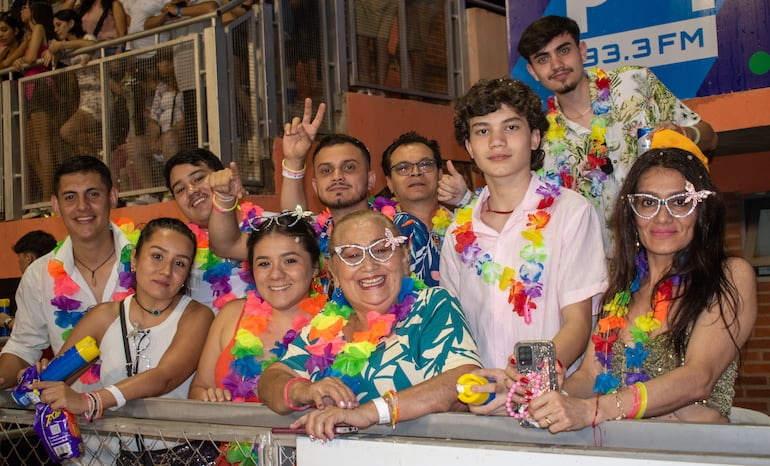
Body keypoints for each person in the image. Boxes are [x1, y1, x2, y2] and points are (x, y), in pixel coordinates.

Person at [524, 147, 756, 432]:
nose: (662, 218)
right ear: (632, 215)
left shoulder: (729, 275)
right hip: (622, 449)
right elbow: (590, 375)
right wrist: (557, 401)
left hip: (696, 452)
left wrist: (592, 410)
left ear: (702, 211)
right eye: (648, 203)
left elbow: (699, 377)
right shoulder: (621, 286)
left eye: (679, 202)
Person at [440, 77, 607, 396]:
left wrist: (525, 384)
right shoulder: (458, 232)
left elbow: (578, 323)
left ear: (534, 138)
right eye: (482, 131)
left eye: (511, 127)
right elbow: (455, 335)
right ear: (470, 148)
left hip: (552, 403)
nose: (497, 141)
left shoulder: (570, 212)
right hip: (480, 403)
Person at [258, 210, 481, 441]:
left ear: (404, 258)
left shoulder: (430, 306)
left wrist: (370, 413)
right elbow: (271, 379)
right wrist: (303, 390)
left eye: (382, 250)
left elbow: (464, 380)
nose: (369, 265)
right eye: (352, 255)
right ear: (334, 272)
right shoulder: (328, 324)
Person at [517, 15, 718, 252]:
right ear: (533, 71)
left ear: (582, 51)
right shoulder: (542, 138)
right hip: (601, 273)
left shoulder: (634, 83)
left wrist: (682, 133)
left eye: (563, 50)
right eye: (543, 59)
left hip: (670, 251)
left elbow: (711, 137)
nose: (556, 65)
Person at [208, 99, 441, 287]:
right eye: (326, 170)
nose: (337, 176)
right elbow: (226, 245)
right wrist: (225, 198)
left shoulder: (404, 228)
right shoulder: (311, 237)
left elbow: (429, 301)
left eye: (349, 167)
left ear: (371, 179)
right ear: (315, 186)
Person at [34, 217, 213, 460]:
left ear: (187, 274)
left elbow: (164, 377)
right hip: (126, 457)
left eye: (179, 263)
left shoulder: (197, 315)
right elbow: (58, 376)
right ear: (135, 260)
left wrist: (90, 401)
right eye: (157, 257)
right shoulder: (103, 316)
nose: (166, 271)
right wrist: (45, 376)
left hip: (187, 456)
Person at [0, 156, 136, 389]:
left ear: (112, 197)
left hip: (149, 417)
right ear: (55, 205)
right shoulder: (38, 274)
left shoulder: (148, 260)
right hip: (73, 420)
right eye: (70, 197)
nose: (82, 206)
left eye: (93, 194)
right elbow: (23, 347)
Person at [189, 210, 325, 402]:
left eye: (290, 261)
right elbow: (198, 389)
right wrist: (209, 398)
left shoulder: (334, 324)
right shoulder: (231, 314)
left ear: (314, 267)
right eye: (264, 263)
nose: (276, 274)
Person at [163, 148, 255, 313]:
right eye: (180, 190)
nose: (191, 191)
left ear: (222, 176)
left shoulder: (267, 226)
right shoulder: (178, 251)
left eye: (198, 179)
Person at [14, 1, 57, 200]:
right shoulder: (28, 34)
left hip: (40, 85)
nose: (22, 10)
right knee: (31, 149)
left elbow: (30, 57)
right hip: (29, 88)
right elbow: (14, 61)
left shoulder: (38, 28)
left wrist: (22, 60)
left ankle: (48, 197)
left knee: (43, 145)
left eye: (26, 7)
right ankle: (49, 191)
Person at [43, 9, 100, 156]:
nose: (56, 30)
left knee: (67, 132)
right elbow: (49, 52)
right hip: (84, 99)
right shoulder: (68, 48)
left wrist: (60, 45)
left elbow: (91, 45)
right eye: (54, 26)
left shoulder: (87, 37)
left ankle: (104, 144)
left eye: (58, 25)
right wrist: (51, 50)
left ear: (71, 23)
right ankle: (100, 155)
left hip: (98, 97)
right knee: (82, 149)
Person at [0, 230, 58, 333]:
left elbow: (32, 331)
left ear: (29, 258)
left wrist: (7, 320)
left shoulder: (32, 281)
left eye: (19, 257)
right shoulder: (62, 278)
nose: (18, 262)